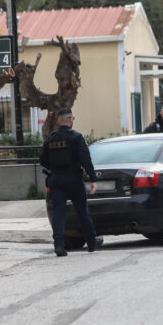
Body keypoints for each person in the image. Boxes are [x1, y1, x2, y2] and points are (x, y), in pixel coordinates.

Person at [40, 108, 103, 256]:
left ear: (58, 121)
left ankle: (59, 246)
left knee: (59, 213)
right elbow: (85, 159)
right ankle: (92, 242)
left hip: (55, 180)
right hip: (73, 179)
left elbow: (43, 160)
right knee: (82, 211)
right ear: (69, 120)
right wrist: (93, 179)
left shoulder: (50, 139)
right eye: (72, 118)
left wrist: (54, 169)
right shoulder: (76, 137)